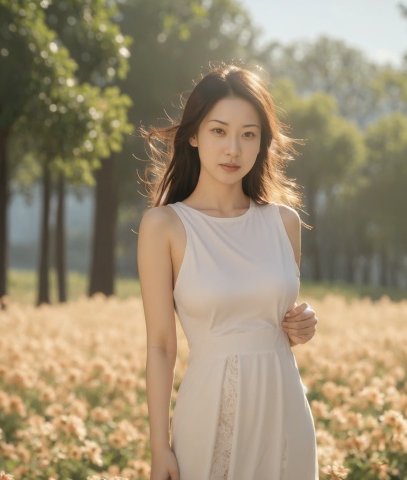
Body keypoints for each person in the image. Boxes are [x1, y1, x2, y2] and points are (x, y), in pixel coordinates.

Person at [137, 64, 319, 480]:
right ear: (194, 136)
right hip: (208, 413)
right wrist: (159, 446)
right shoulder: (164, 226)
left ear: (262, 144)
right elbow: (161, 347)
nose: (233, 149)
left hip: (286, 412)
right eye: (219, 131)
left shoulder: (284, 223)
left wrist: (303, 324)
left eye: (248, 134)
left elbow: (278, 322)